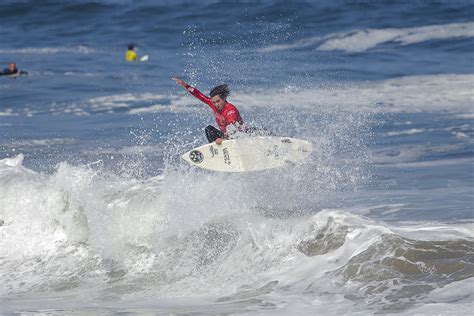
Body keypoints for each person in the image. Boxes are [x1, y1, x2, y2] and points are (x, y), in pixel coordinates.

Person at [172, 76, 246, 145]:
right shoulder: (214, 105)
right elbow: (199, 95)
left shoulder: (231, 110)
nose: (216, 104)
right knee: (209, 129)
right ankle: (217, 151)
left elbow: (232, 127)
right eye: (214, 102)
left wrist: (224, 139)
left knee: (240, 131)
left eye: (218, 101)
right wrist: (185, 85)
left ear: (224, 98)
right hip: (226, 137)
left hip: (238, 137)